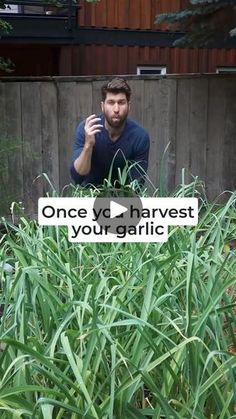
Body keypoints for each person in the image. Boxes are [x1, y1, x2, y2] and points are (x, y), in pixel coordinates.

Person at [70, 77, 150, 188]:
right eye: (111, 102)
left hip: (123, 199)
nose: (116, 109)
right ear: (102, 106)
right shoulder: (87, 128)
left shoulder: (140, 137)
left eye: (121, 103)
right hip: (89, 197)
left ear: (129, 106)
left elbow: (137, 185)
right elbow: (77, 176)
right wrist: (88, 145)